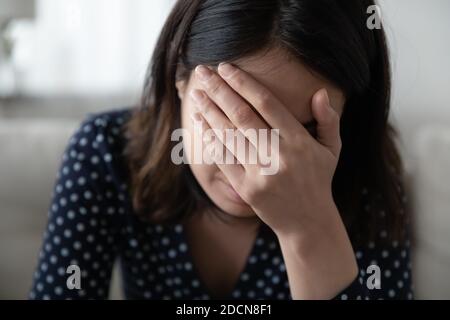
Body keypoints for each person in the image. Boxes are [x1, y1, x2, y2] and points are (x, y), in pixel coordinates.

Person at [29, 0, 413, 300]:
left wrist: (309, 229)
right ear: (178, 78)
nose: (260, 170)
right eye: (231, 119)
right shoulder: (107, 152)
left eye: (302, 133)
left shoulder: (368, 178)